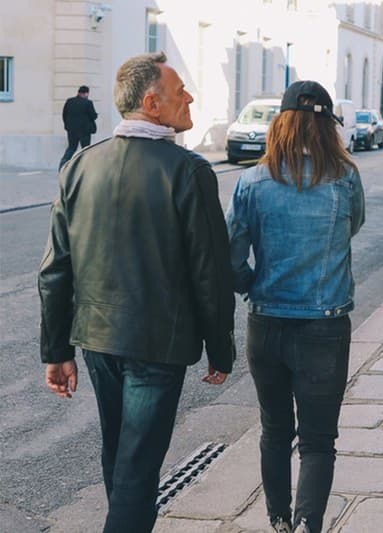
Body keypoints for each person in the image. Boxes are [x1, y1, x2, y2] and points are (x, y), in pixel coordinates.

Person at [39, 52, 235, 533]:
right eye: (179, 91)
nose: (189, 97)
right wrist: (221, 348)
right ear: (152, 103)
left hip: (99, 342)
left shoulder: (81, 166)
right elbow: (211, 272)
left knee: (121, 456)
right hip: (156, 345)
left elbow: (55, 270)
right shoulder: (189, 171)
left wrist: (57, 350)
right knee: (138, 467)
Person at [226, 80, 365, 533]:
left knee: (274, 431)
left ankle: (278, 521)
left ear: (279, 124)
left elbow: (229, 257)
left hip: (266, 324)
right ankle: (308, 525)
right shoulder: (345, 179)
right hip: (325, 326)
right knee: (319, 441)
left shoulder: (251, 182)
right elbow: (352, 228)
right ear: (328, 128)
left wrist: (254, 283)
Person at [59, 85, 98, 170]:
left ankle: (62, 166)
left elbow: (64, 115)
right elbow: (93, 116)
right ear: (86, 93)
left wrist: (67, 126)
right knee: (85, 150)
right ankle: (85, 168)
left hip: (71, 130)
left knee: (71, 148)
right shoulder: (88, 103)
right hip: (85, 131)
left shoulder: (69, 101)